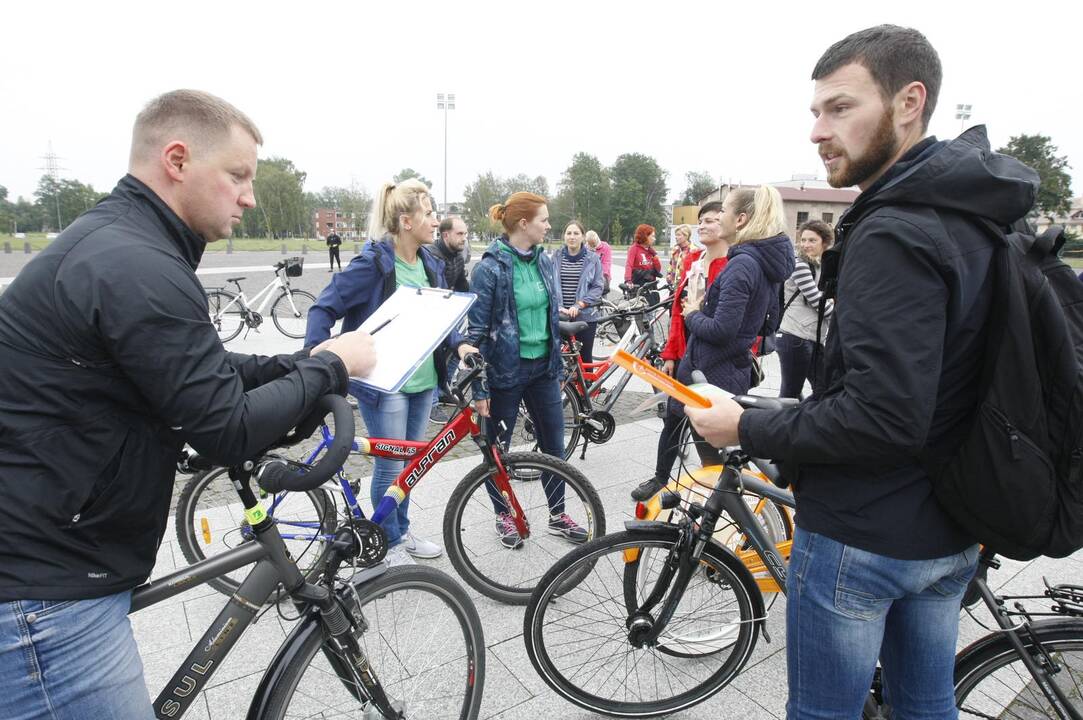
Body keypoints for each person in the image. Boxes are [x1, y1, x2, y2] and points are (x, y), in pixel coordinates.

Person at [686, 25, 1038, 719]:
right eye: (814, 111)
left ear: (909, 102)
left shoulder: (892, 230)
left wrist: (746, 424)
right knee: (924, 706)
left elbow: (882, 414)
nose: (817, 130)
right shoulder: (973, 215)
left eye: (839, 107)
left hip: (864, 537)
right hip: (950, 528)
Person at [0, 89, 377, 720]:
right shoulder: (139, 264)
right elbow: (226, 429)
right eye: (238, 175)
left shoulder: (122, 244)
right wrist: (332, 368)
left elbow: (200, 371)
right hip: (46, 590)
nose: (250, 197)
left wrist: (300, 368)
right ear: (177, 160)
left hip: (48, 550)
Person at [306, 179, 478, 567]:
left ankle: (400, 529)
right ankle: (389, 542)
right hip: (385, 385)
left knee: (411, 464)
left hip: (422, 382)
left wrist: (460, 344)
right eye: (430, 213)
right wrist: (312, 358)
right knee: (391, 464)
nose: (436, 220)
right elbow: (324, 308)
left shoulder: (429, 262)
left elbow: (439, 317)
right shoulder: (375, 263)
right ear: (405, 220)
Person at [632, 191, 793, 500]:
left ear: (741, 220)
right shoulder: (763, 261)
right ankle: (691, 495)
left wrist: (694, 313)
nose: (714, 222)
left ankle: (719, 517)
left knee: (711, 454)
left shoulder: (741, 264)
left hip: (712, 372)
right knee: (682, 427)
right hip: (719, 365)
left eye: (722, 214)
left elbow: (721, 329)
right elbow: (768, 324)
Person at [465, 192, 588, 548]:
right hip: (505, 372)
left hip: (544, 370)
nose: (550, 226)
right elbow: (478, 333)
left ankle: (557, 514)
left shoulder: (543, 261)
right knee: (497, 449)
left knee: (553, 444)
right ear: (523, 223)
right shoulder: (490, 267)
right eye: (544, 220)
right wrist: (479, 388)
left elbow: (550, 312)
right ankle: (505, 516)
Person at [777, 219, 834, 399]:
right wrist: (839, 308)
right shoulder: (800, 264)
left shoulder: (822, 266)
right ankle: (781, 425)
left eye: (812, 240)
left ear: (824, 242)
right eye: (803, 240)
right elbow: (818, 302)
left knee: (825, 389)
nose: (806, 245)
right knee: (790, 393)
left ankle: (801, 421)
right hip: (795, 336)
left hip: (814, 337)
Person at [553, 220, 606, 363]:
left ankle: (588, 385)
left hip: (585, 316)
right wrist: (557, 307)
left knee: (584, 358)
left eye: (576, 233)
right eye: (568, 233)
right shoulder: (556, 257)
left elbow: (598, 287)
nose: (572, 237)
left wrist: (579, 305)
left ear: (583, 237)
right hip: (561, 316)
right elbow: (549, 284)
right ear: (564, 236)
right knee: (562, 361)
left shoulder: (593, 259)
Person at [433, 216, 470, 292]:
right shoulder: (432, 257)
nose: (464, 239)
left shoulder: (458, 256)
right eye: (460, 234)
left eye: (465, 234)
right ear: (445, 235)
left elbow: (462, 286)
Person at [585, 229, 613, 295]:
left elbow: (606, 264)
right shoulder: (585, 249)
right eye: (590, 244)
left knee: (603, 300)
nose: (593, 246)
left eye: (594, 244)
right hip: (589, 279)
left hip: (602, 278)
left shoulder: (606, 247)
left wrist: (596, 276)